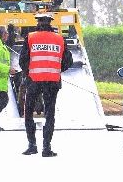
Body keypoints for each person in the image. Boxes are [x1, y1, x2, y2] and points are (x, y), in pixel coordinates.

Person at [19, 13, 73, 157]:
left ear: (38, 23)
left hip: (34, 81)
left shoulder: (30, 38)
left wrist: (28, 72)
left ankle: (32, 145)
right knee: (49, 114)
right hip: (52, 81)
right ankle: (46, 148)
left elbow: (22, 60)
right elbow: (68, 61)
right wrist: (56, 69)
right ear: (50, 23)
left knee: (28, 113)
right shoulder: (60, 39)